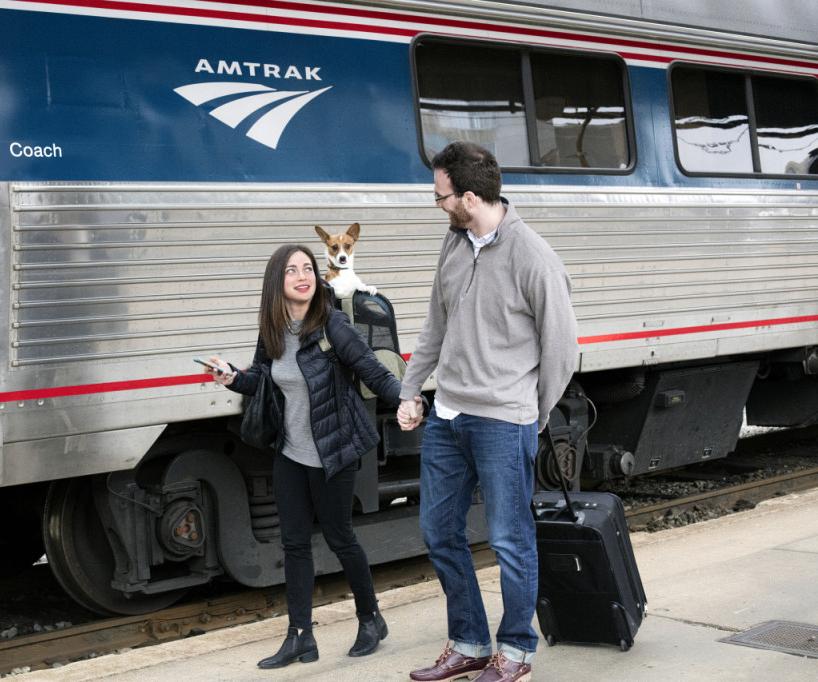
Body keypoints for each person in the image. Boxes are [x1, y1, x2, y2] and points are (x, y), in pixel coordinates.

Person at [397, 142, 578, 682]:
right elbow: (435, 325)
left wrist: (534, 410)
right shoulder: (454, 244)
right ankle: (470, 642)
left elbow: (563, 350)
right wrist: (412, 390)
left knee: (509, 539)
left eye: (441, 196)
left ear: (470, 197)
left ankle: (516, 652)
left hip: (504, 419)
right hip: (447, 417)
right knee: (439, 532)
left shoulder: (534, 257)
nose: (438, 204)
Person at [206, 244, 405, 669]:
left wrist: (409, 403)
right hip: (291, 453)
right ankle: (300, 637)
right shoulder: (274, 330)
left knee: (339, 538)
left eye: (308, 269)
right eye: (292, 270)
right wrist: (232, 378)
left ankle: (371, 618)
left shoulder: (334, 326)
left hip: (334, 451)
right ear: (276, 282)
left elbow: (374, 371)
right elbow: (261, 379)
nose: (303, 276)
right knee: (294, 544)